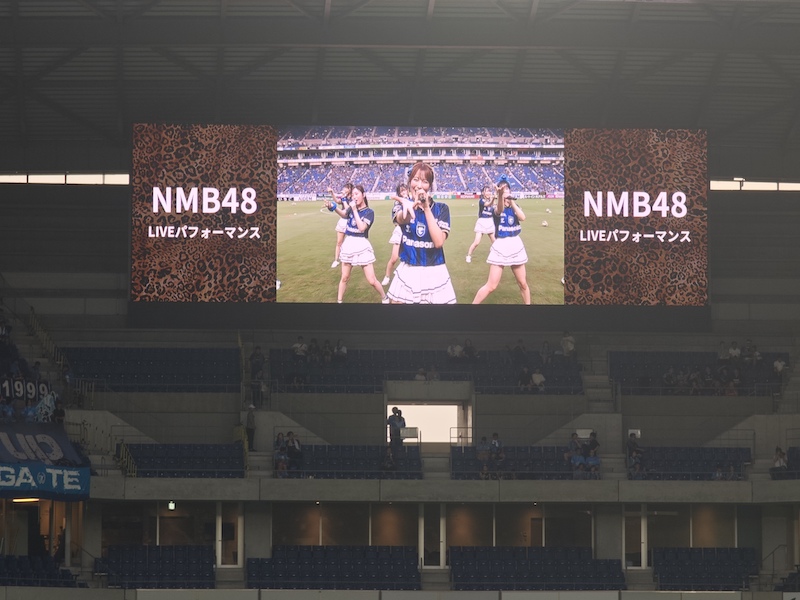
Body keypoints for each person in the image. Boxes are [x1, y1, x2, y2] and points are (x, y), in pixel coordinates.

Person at [386, 162, 457, 304]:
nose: (419, 185)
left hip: (434, 271)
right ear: (409, 182)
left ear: (430, 186)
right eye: (416, 179)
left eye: (425, 181)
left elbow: (438, 242)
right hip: (408, 269)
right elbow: (402, 219)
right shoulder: (401, 205)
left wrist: (426, 208)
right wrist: (409, 207)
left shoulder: (442, 209)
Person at [472, 178, 531, 305]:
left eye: (507, 188)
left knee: (522, 283)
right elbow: (499, 210)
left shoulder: (515, 207)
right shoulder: (496, 208)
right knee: (491, 286)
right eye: (502, 189)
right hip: (501, 246)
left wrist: (512, 202)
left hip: (515, 245)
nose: (505, 191)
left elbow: (523, 218)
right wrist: (500, 196)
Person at [329, 184, 389, 303]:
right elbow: (343, 214)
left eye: (357, 194)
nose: (354, 197)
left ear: (363, 195)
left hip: (361, 244)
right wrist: (333, 207)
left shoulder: (369, 212)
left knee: (371, 280)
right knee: (344, 278)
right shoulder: (351, 208)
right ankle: (339, 301)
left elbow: (362, 228)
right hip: (349, 243)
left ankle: (384, 297)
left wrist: (355, 210)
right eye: (353, 195)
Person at [381, 183, 410, 286]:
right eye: (401, 191)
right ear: (399, 193)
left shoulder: (412, 199)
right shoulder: (397, 203)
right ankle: (387, 276)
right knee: (394, 258)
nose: (404, 192)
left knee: (408, 256)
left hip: (410, 230)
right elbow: (398, 218)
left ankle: (404, 274)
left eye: (405, 190)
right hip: (400, 231)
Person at [325, 183, 353, 268]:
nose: (343, 189)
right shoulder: (344, 198)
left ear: (350, 189)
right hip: (343, 221)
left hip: (351, 222)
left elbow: (348, 209)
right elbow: (337, 201)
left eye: (346, 188)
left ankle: (350, 258)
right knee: (339, 242)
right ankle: (336, 260)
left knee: (351, 242)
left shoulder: (352, 199)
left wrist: (344, 198)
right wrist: (332, 192)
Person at [465, 185, 497, 263]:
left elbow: (496, 209)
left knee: (495, 242)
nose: (489, 193)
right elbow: (488, 204)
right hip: (482, 222)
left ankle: (497, 255)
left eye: (489, 191)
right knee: (476, 242)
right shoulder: (481, 201)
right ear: (483, 193)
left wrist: (495, 199)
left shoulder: (492, 200)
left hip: (490, 221)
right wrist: (493, 199)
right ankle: (468, 255)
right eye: (487, 191)